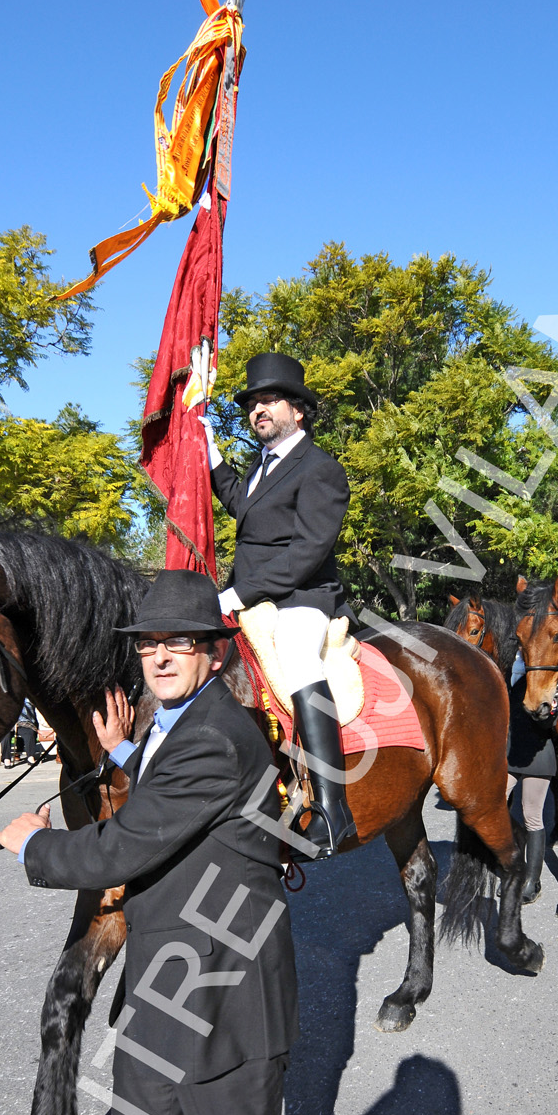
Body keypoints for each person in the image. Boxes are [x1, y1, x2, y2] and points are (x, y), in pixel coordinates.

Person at [0, 570, 390, 1115]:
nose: (162, 656)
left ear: (213, 652)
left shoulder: (215, 734)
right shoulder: (181, 727)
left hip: (226, 991)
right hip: (160, 988)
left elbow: (122, 845)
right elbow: (165, 795)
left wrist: (31, 845)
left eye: (181, 642)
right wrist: (126, 748)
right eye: (149, 644)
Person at [200, 352, 354, 859]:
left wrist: (239, 593)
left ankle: (333, 808)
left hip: (303, 596)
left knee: (295, 650)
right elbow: (237, 503)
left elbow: (308, 551)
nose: (258, 410)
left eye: (269, 400)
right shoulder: (261, 468)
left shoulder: (321, 469)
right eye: (252, 404)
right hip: (254, 597)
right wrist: (205, 441)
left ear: (298, 410)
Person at [506, 651, 558, 903]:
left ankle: (532, 880)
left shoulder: (553, 683)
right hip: (510, 754)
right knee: (494, 807)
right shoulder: (512, 677)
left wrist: (551, 708)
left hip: (538, 756)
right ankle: (514, 868)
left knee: (531, 815)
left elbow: (548, 725)